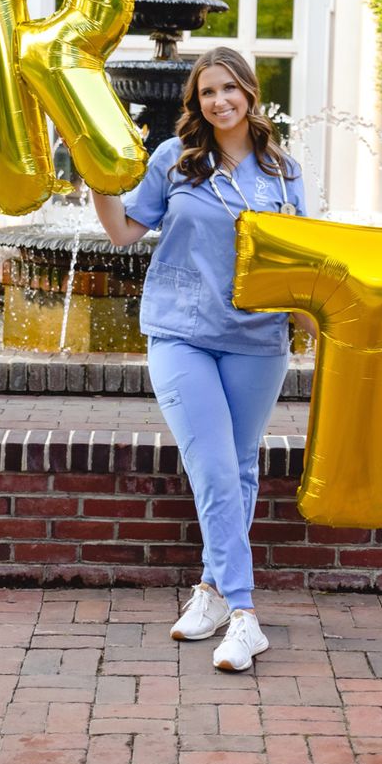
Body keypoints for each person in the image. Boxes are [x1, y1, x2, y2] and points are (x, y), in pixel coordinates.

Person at [92, 47, 309, 672]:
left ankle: (212, 592)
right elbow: (124, 231)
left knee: (238, 467)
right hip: (180, 332)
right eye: (208, 91)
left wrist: (320, 323)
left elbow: (301, 259)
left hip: (258, 339)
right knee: (213, 464)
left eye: (229, 89)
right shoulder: (174, 159)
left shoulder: (284, 172)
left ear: (249, 93)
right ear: (197, 100)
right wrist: (98, 181)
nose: (219, 101)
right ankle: (245, 615)